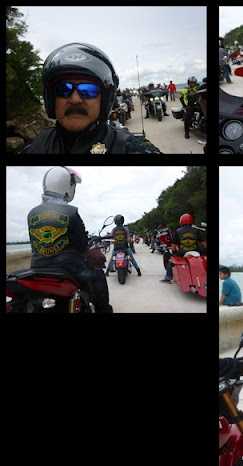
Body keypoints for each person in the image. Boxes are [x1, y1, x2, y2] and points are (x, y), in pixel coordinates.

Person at [17, 42, 162, 154]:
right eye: (63, 89)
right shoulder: (34, 147)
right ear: (51, 98)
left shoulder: (129, 146)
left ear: (104, 99)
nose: (75, 99)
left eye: (88, 90)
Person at [26, 166, 112, 312]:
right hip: (68, 266)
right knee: (98, 274)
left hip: (37, 266)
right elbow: (82, 244)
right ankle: (103, 309)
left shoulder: (32, 213)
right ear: (67, 185)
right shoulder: (71, 212)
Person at [160, 214, 207, 283]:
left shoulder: (178, 231)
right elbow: (204, 243)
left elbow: (173, 245)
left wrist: (173, 252)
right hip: (196, 251)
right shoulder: (196, 230)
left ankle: (168, 278)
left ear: (181, 221)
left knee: (171, 261)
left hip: (182, 253)